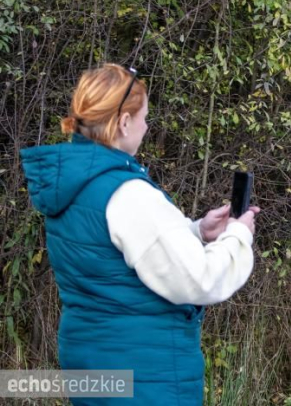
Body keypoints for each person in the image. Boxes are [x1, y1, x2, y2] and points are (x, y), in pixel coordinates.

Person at [20, 64, 257, 405]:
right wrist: (238, 235)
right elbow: (200, 280)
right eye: (144, 116)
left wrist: (196, 231)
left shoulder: (73, 185)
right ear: (124, 122)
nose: (147, 126)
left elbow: (113, 256)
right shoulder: (128, 193)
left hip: (92, 362)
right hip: (145, 376)